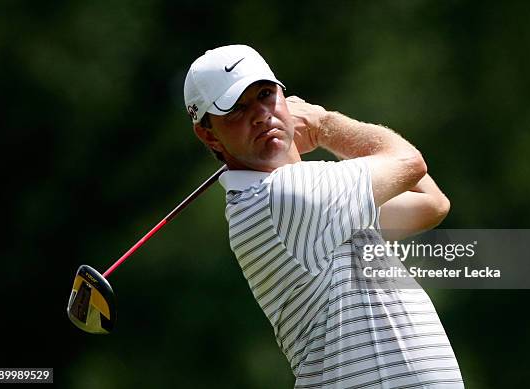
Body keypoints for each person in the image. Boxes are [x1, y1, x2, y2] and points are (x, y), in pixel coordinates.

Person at [184, 44, 464, 388]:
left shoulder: (311, 200)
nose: (260, 114)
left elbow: (431, 203)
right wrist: (322, 123)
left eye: (266, 94)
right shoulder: (282, 197)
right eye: (236, 110)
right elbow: (409, 163)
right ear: (208, 133)